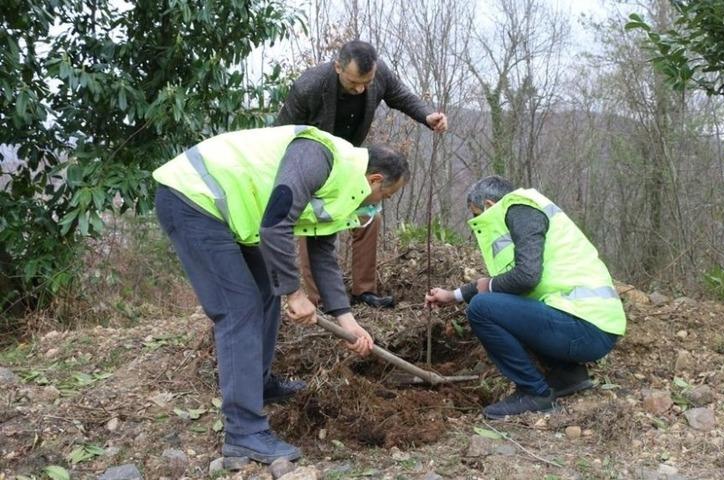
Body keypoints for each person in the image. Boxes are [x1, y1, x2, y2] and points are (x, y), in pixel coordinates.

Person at [152, 125, 409, 462]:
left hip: (231, 217)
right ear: (375, 181)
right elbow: (275, 223)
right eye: (385, 198)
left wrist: (348, 322)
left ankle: (258, 384)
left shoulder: (343, 187)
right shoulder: (319, 157)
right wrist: (294, 293)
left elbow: (322, 255)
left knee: (265, 290)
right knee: (239, 308)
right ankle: (244, 432)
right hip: (193, 199)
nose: (380, 207)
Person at [425, 176, 626, 419]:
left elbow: (525, 278)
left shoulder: (521, 210)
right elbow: (508, 282)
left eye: (476, 213)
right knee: (501, 305)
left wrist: (484, 288)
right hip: (587, 326)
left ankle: (535, 393)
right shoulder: (526, 210)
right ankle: (567, 376)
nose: (476, 220)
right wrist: (454, 295)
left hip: (585, 328)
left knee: (481, 309)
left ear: (489, 205)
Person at [276, 39, 447, 309]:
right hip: (310, 164)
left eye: (366, 82)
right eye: (354, 82)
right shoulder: (308, 86)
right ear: (337, 67)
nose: (360, 89)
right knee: (314, 225)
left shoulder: (377, 75)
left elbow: (400, 96)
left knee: (370, 215)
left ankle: (364, 291)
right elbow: (281, 133)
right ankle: (318, 299)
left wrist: (427, 116)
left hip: (351, 160)